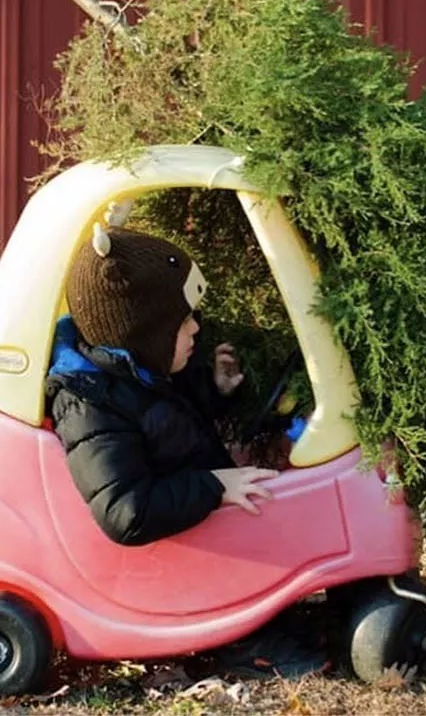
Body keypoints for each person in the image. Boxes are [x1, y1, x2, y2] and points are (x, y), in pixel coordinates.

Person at [45, 223, 329, 678]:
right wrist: (214, 485)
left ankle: (270, 611)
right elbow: (126, 512)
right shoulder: (90, 405)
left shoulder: (137, 372)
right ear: (145, 334)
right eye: (182, 323)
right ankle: (240, 639)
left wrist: (213, 390)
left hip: (193, 516)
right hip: (160, 557)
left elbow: (169, 422)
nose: (196, 327)